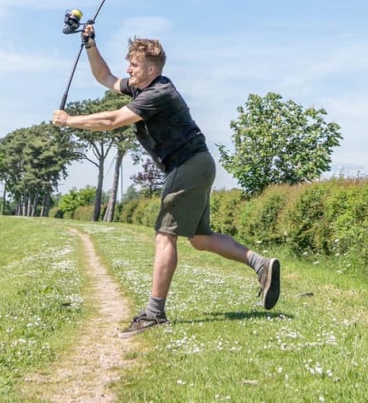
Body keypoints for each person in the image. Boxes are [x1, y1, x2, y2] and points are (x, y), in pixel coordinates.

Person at [52, 23, 281, 335]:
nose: (128, 69)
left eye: (133, 64)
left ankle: (154, 312)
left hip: (188, 165)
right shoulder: (142, 87)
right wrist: (91, 45)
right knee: (200, 239)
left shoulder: (158, 93)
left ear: (150, 68)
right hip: (197, 164)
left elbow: (112, 120)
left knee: (164, 236)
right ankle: (260, 264)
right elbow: (105, 78)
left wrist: (69, 121)